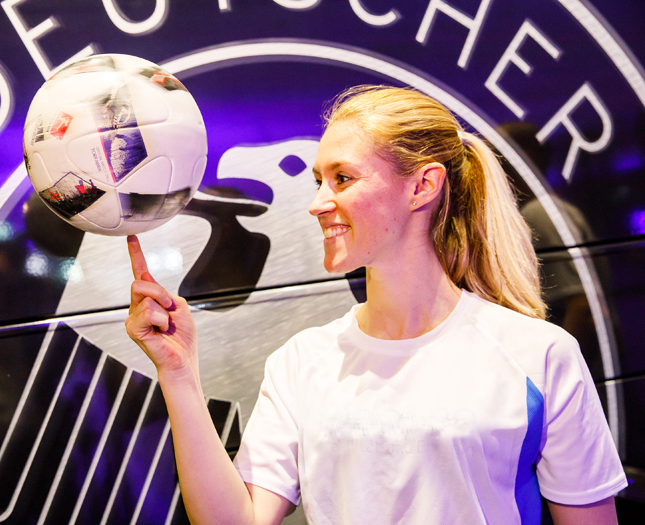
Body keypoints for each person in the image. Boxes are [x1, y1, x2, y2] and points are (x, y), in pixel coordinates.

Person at [124, 86, 627, 524]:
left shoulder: (537, 354)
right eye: (318, 180)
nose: (318, 201)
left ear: (422, 186)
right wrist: (179, 374)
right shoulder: (302, 362)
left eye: (342, 178)